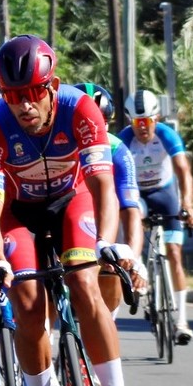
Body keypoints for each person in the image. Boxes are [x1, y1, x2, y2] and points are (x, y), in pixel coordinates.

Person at [0, 37, 145, 386]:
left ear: (53, 86)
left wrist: (107, 241)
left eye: (33, 93)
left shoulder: (80, 108)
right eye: (13, 97)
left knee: (85, 283)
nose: (24, 106)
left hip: (72, 202)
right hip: (18, 214)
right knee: (28, 308)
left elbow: (102, 184)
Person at [121, 89, 193, 343]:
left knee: (175, 253)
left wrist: (188, 204)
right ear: (130, 121)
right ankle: (140, 269)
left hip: (165, 194)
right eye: (137, 122)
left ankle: (181, 321)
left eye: (147, 122)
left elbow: (183, 171)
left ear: (156, 119)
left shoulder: (167, 135)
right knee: (134, 220)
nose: (142, 128)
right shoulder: (123, 140)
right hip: (138, 196)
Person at [79, 83, 146, 317]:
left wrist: (133, 256)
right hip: (68, 214)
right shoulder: (57, 146)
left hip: (106, 216)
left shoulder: (118, 150)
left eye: (100, 122)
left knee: (112, 274)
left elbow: (130, 210)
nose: (92, 129)